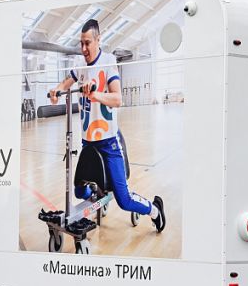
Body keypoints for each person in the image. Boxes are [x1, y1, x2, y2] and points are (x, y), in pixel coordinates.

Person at [50, 19, 165, 232]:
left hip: (109, 143)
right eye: (81, 43)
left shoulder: (108, 61)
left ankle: (155, 210)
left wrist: (95, 95)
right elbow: (65, 83)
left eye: (87, 43)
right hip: (88, 143)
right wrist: (56, 91)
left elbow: (118, 99)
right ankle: (99, 194)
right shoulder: (80, 65)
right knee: (79, 191)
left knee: (123, 200)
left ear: (98, 40)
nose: (83, 48)